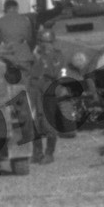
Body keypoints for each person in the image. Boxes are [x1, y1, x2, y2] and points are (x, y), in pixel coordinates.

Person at [29, 28, 66, 163]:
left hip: (48, 90)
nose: (46, 45)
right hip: (34, 90)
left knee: (48, 123)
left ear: (53, 42)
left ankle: (49, 153)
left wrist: (42, 60)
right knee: (33, 122)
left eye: (48, 42)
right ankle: (37, 152)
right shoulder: (33, 55)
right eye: (43, 42)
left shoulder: (57, 56)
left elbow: (55, 73)